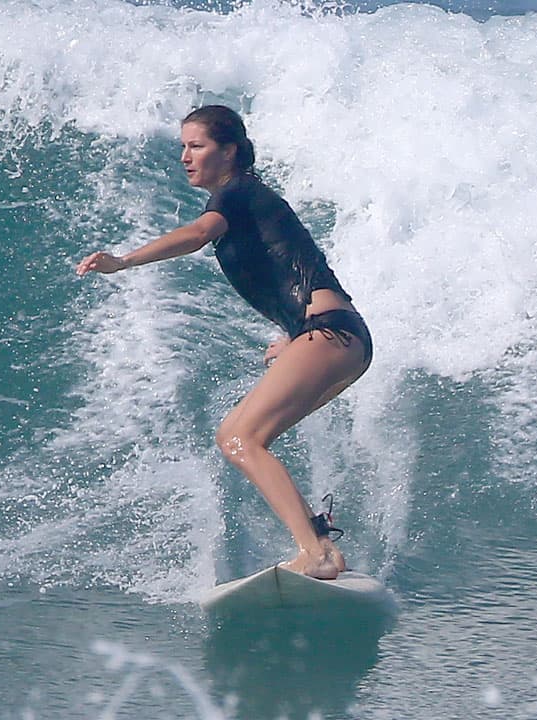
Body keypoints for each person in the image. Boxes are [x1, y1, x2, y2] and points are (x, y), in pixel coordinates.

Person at [75, 105, 371, 580]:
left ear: (229, 151)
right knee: (233, 438)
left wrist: (123, 262)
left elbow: (197, 234)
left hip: (331, 335)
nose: (185, 157)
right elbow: (298, 265)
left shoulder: (236, 193)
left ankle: (315, 552)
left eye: (197, 146)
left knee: (243, 438)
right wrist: (294, 337)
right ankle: (319, 545)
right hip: (331, 335)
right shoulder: (252, 199)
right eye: (182, 147)